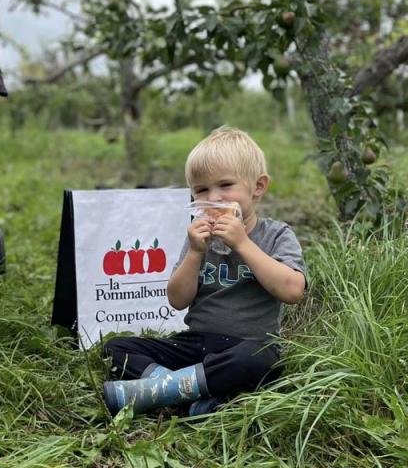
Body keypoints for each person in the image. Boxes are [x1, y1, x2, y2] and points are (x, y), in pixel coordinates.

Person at [103, 127, 306, 418]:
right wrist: (196, 253)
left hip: (245, 346)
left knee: (261, 360)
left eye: (225, 185)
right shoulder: (198, 239)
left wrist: (242, 243)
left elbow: (292, 290)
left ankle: (164, 393)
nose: (214, 198)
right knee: (116, 347)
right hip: (196, 343)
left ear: (258, 186)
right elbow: (177, 299)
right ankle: (194, 398)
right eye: (201, 190)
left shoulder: (275, 235)